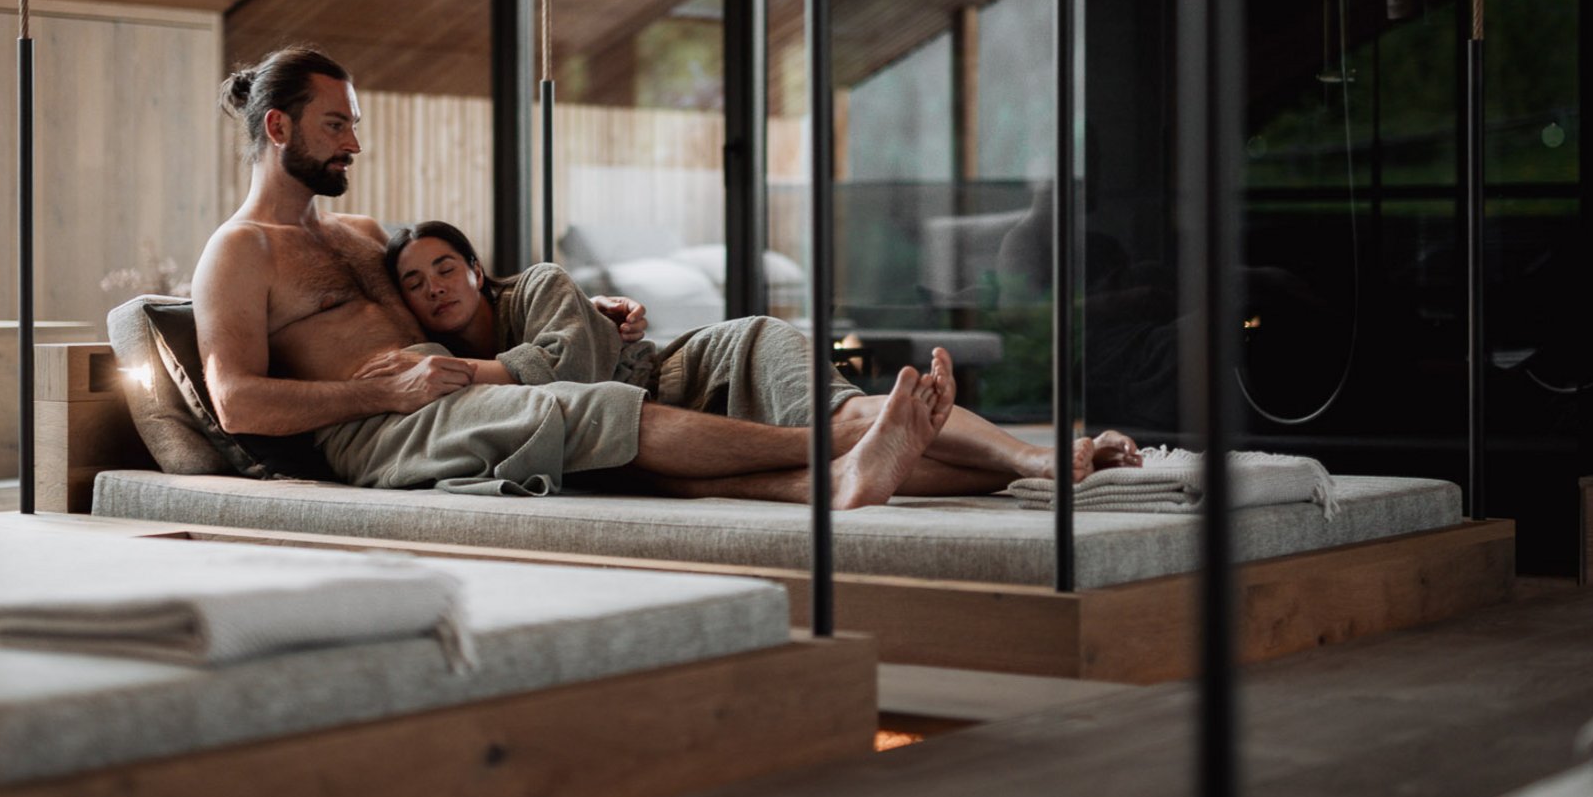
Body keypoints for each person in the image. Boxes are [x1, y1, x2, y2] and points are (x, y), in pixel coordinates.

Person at [192, 45, 954, 506]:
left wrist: (584, 308)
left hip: (451, 396)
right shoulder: (238, 253)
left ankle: (938, 470)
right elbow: (235, 403)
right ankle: (837, 451)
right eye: (337, 124)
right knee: (589, 407)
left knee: (612, 417)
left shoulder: (360, 235)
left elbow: (462, 292)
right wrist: (381, 392)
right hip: (379, 432)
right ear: (277, 127)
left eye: (355, 124)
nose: (354, 143)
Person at [386, 219, 1142, 497]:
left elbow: (573, 372)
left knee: (849, 417)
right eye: (416, 285)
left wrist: (478, 372)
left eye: (445, 268)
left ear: (477, 270)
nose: (435, 289)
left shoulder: (542, 286)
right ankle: (1018, 468)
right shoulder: (428, 356)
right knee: (875, 455)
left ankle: (1039, 460)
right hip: (660, 433)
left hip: (705, 366)